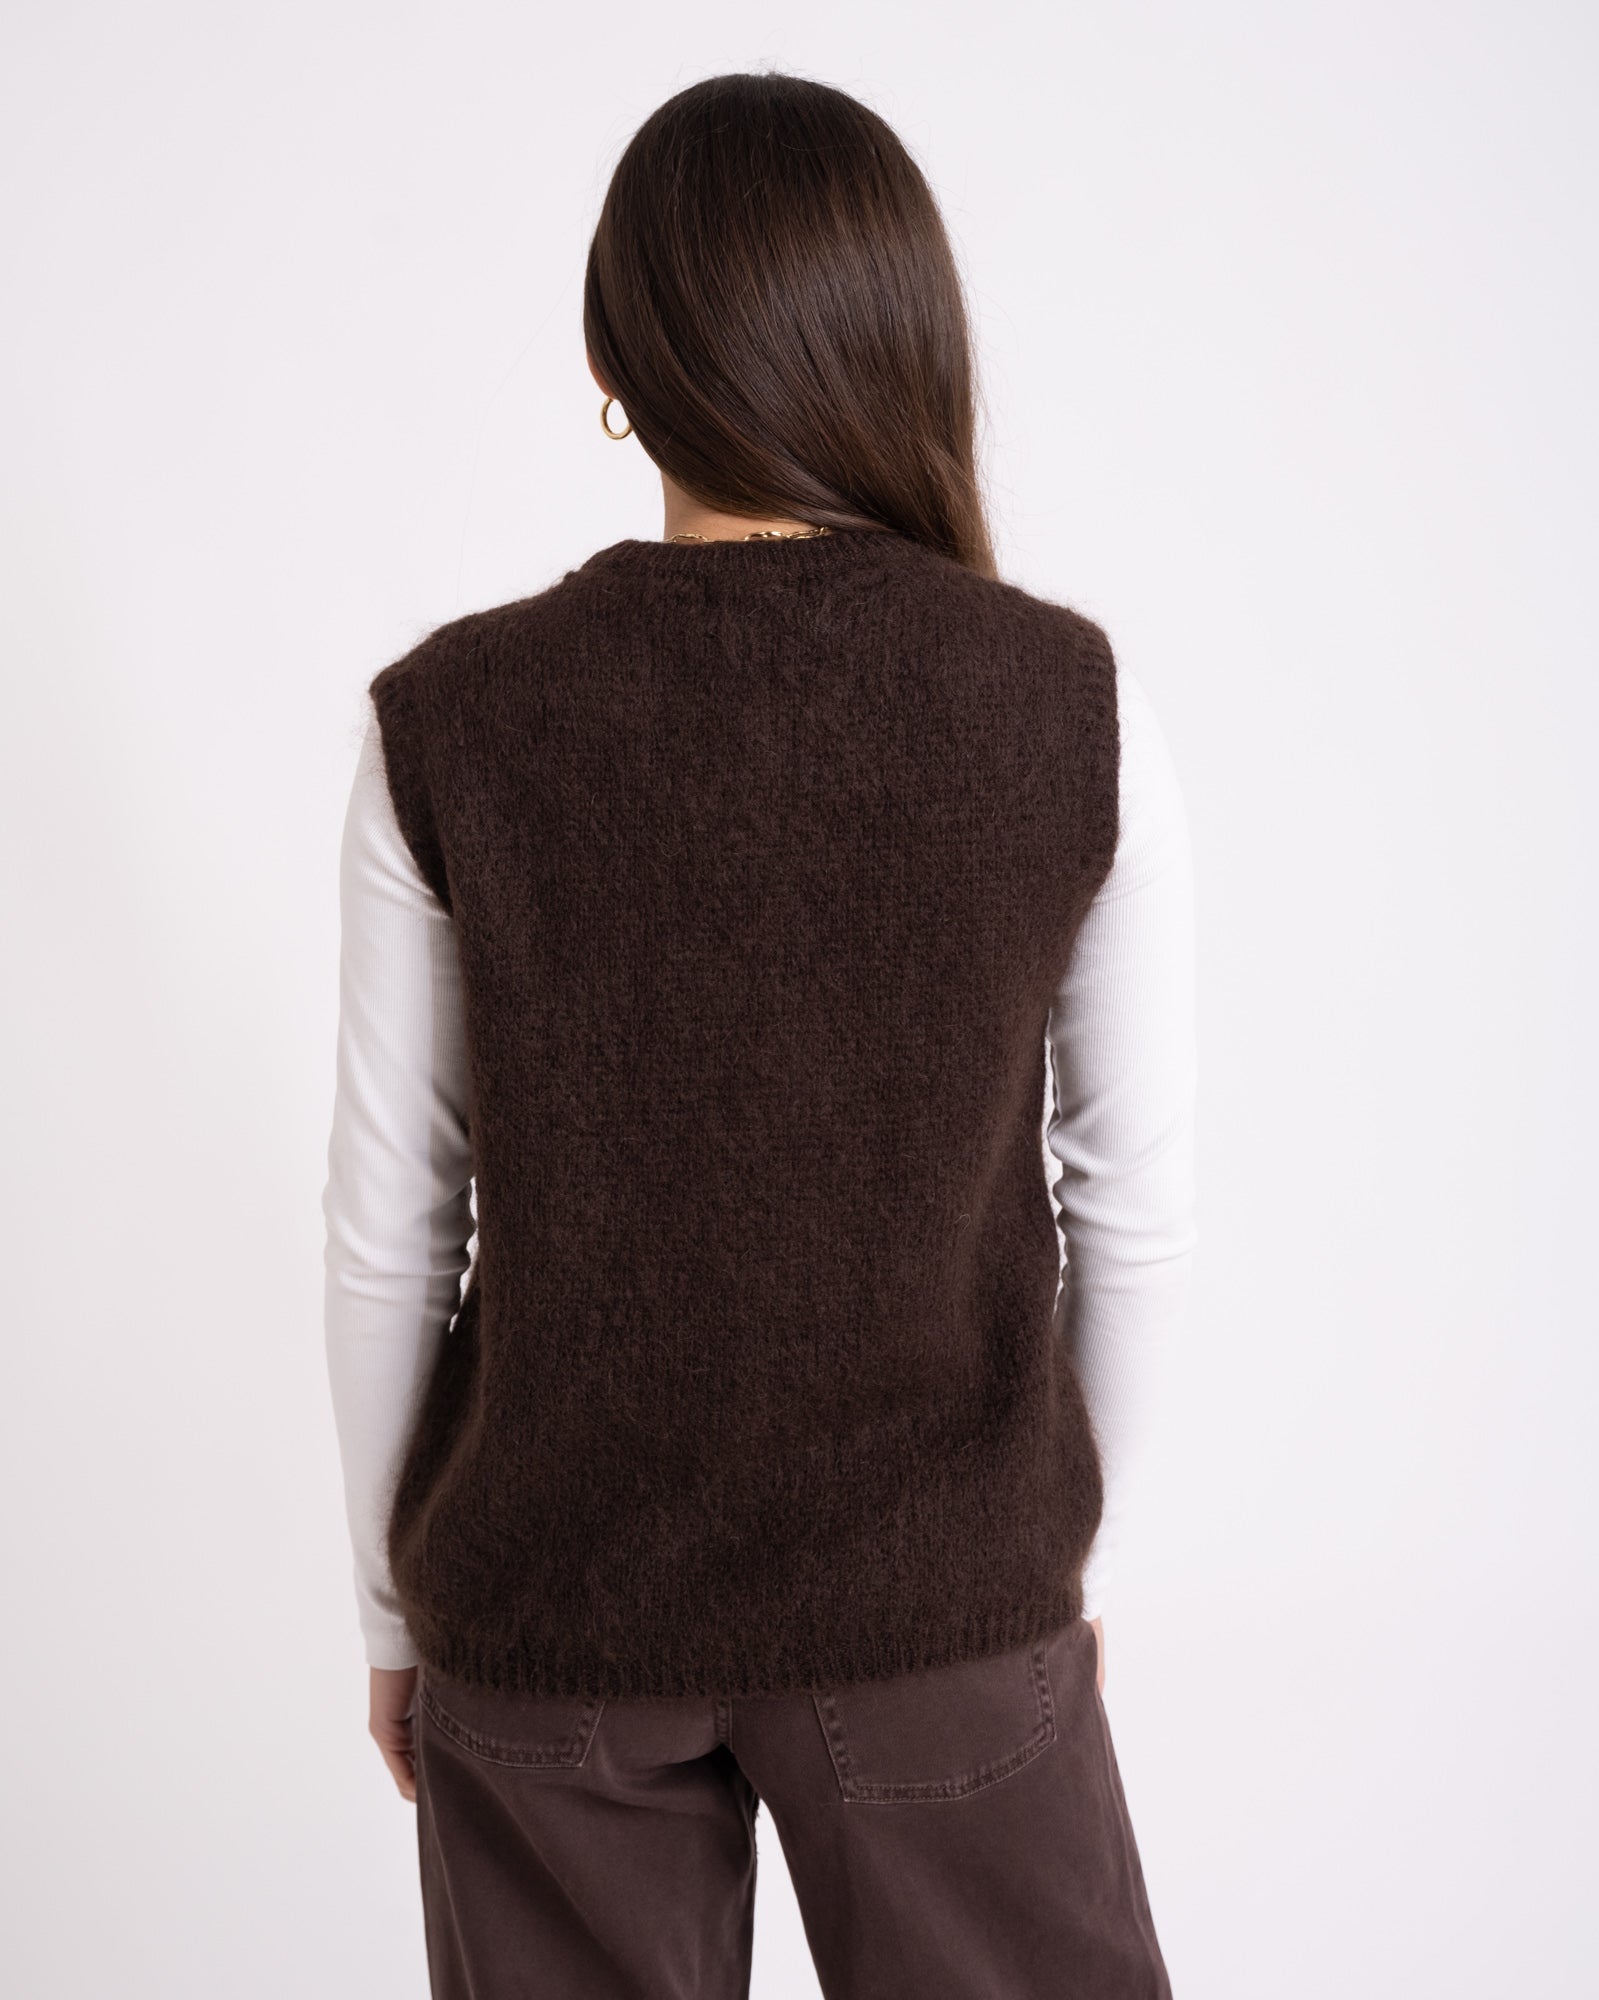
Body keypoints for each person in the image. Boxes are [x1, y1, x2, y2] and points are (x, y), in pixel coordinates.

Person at [322, 69, 1196, 2000]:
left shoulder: (449, 720)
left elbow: (393, 1223)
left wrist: (391, 1614)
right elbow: (1133, 1205)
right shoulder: (1068, 705)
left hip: (547, 1614)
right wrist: (1061, 1571)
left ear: (610, 359)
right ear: (909, 339)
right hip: (946, 1610)